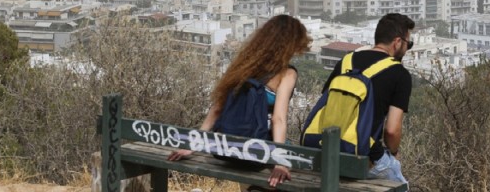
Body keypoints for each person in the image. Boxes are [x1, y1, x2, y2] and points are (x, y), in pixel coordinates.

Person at [167, 14, 312, 190]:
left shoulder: (242, 67)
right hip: (257, 154)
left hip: (225, 151)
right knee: (302, 166)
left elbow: (217, 109)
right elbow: (278, 119)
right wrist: (280, 162)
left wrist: (192, 145)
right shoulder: (287, 74)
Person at [321, 13, 415, 185]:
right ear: (398, 42)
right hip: (365, 155)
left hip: (326, 149)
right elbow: (392, 130)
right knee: (400, 184)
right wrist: (393, 153)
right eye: (409, 44)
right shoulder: (400, 74)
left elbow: (324, 103)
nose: (407, 49)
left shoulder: (346, 61)